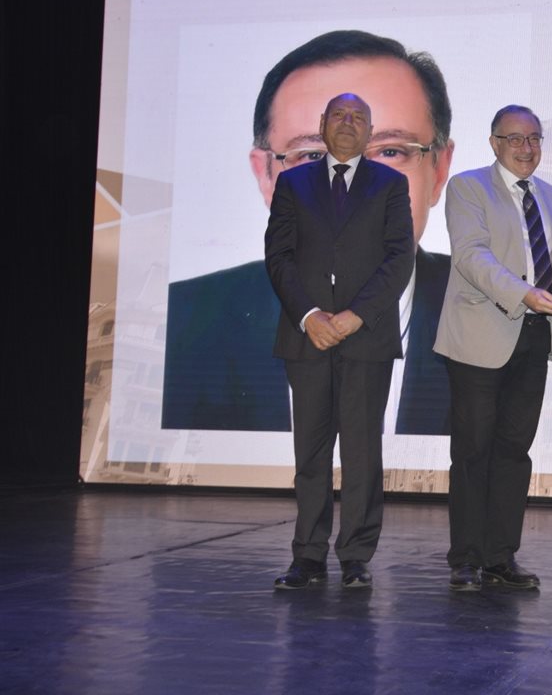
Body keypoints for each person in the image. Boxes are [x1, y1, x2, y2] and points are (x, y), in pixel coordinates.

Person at [161, 30, 454, 435]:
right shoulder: (178, 323)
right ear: (266, 177)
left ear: (439, 170)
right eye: (314, 155)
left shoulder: (495, 310)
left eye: (390, 152)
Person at [267, 93, 415, 590]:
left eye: (358, 117)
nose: (348, 123)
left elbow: (399, 258)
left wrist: (356, 316)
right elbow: (279, 256)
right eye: (339, 115)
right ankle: (307, 556)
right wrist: (309, 315)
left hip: (365, 337)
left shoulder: (391, 184)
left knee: (361, 454)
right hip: (306, 336)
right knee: (310, 453)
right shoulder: (293, 183)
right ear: (323, 124)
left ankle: (355, 555)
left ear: (370, 131)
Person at [433, 105, 552, 592]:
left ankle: (500, 556)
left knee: (513, 451)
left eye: (534, 138)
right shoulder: (468, 188)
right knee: (473, 451)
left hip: (535, 334)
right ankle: (466, 558)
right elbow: (471, 256)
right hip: (479, 336)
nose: (526, 148)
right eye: (514, 139)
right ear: (494, 143)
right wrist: (524, 293)